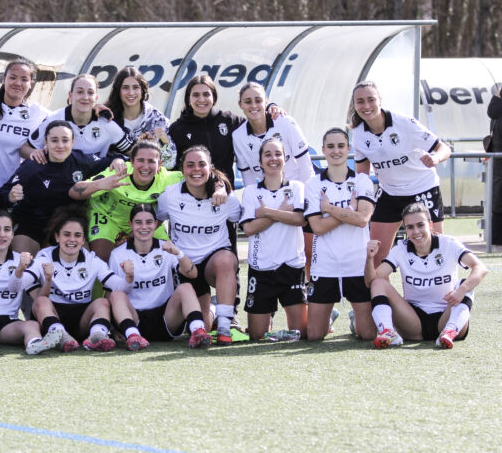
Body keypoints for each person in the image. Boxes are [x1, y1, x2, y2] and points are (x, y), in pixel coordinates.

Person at [69, 140, 227, 262]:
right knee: (101, 259)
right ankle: (100, 302)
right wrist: (100, 184)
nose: (145, 166)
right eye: (140, 160)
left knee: (170, 256)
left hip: (145, 222)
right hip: (108, 219)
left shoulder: (168, 178)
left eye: (151, 161)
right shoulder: (118, 172)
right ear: (131, 161)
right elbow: (74, 192)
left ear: (159, 165)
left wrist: (220, 188)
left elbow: (206, 175)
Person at [350, 80, 450, 266]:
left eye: (371, 99)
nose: (366, 106)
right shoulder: (358, 133)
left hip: (423, 189)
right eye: (360, 101)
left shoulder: (404, 123)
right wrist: (358, 198)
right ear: (354, 105)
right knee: (376, 254)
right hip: (390, 193)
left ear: (380, 100)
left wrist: (435, 158)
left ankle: (441, 293)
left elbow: (443, 148)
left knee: (435, 249)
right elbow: (362, 173)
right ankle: (380, 295)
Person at [365, 203, 487, 349]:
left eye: (420, 225)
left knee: (465, 285)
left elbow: (480, 268)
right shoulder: (401, 249)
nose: (416, 231)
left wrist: (461, 290)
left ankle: (450, 331)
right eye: (410, 227)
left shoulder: (448, 244)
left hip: (446, 316)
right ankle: (388, 332)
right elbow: (371, 282)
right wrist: (370, 259)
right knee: (379, 283)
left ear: (430, 225)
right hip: (413, 322)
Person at [156, 146, 242, 344]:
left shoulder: (226, 197)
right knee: (198, 325)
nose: (196, 169)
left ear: (210, 168)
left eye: (202, 164)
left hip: (213, 261)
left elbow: (239, 217)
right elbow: (154, 220)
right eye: (190, 165)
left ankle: (224, 327)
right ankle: (212, 308)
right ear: (182, 169)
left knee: (226, 259)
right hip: (185, 265)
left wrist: (223, 187)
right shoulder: (170, 195)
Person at [0, 120, 122, 255]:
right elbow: (3, 193)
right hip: (32, 222)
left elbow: (110, 161)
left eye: (65, 140)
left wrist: (117, 160)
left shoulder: (81, 160)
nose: (60, 145)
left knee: (81, 260)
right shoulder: (32, 166)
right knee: (21, 259)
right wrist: (11, 196)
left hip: (68, 223)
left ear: (72, 142)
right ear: (45, 142)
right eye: (54, 140)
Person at [106, 204, 212, 350]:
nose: (144, 227)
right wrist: (112, 328)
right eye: (138, 222)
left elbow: (192, 274)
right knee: (117, 294)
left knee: (186, 287)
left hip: (166, 318)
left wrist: (178, 253)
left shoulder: (166, 248)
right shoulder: (118, 254)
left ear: (156, 224)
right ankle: (133, 336)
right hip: (133, 319)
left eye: (149, 222)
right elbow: (109, 294)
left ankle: (198, 331)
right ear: (130, 225)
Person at [304, 128, 377, 341]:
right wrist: (348, 212)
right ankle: (330, 316)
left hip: (357, 263)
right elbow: (317, 227)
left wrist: (331, 209)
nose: (336, 151)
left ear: (348, 149)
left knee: (367, 334)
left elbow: (362, 220)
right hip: (325, 265)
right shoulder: (313, 184)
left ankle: (356, 318)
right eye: (331, 146)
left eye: (341, 146)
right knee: (315, 336)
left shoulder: (362, 181)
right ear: (324, 150)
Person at [0, 210, 63, 357]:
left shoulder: (21, 260)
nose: (2, 234)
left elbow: (39, 296)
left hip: (7, 324)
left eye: (7, 229)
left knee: (32, 325)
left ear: (12, 234)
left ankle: (35, 343)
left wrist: (48, 279)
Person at [18, 207, 119, 352]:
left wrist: (129, 277)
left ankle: (98, 337)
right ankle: (61, 336)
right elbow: (21, 284)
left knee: (102, 302)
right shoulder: (44, 256)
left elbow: (117, 285)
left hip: (82, 318)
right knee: (41, 301)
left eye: (77, 235)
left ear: (84, 239)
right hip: (52, 318)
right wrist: (21, 270)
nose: (72, 239)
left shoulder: (91, 259)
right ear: (57, 237)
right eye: (66, 234)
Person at [240, 138, 308, 340]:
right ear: (260, 162)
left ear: (285, 159)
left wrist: (266, 212)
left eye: (277, 154)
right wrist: (281, 212)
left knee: (302, 334)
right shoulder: (252, 191)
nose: (273, 158)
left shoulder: (296, 187)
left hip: (292, 268)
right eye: (267, 154)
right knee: (257, 336)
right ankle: (267, 316)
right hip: (262, 269)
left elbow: (299, 219)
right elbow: (250, 228)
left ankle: (324, 317)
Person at [0, 58, 50, 187]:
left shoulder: (37, 113)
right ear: (3, 79)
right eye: (13, 77)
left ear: (31, 83)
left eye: (24, 79)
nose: (18, 83)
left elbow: (68, 115)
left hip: (8, 189)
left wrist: (95, 111)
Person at [28, 74, 133, 159]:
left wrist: (118, 161)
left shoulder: (107, 124)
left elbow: (133, 151)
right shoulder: (53, 119)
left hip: (95, 183)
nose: (85, 97)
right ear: (70, 95)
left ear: (96, 98)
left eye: (90, 93)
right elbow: (26, 148)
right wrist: (35, 153)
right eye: (80, 92)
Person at [232, 82, 314, 187]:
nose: (253, 105)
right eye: (248, 102)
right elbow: (248, 179)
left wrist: (302, 198)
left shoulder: (285, 122)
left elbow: (306, 167)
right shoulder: (238, 136)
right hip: (268, 196)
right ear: (240, 105)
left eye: (258, 100)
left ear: (266, 102)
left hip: (297, 189)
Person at [103, 67, 177, 169]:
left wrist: (166, 142)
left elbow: (169, 164)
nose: (131, 92)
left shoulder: (157, 119)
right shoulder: (108, 118)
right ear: (118, 91)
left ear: (142, 90)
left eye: (135, 87)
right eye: (125, 88)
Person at [486, 87, 502, 245]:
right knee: (497, 199)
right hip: (498, 162)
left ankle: (496, 238)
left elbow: (492, 110)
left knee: (497, 198)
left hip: (498, 162)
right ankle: (496, 238)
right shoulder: (497, 111)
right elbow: (492, 111)